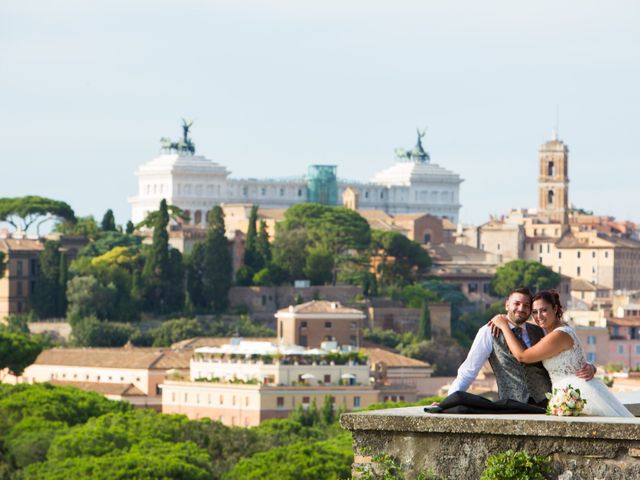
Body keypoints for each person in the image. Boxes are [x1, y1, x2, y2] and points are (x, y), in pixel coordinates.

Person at [491, 290, 633, 417]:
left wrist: (504, 326)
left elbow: (523, 356)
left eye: (544, 310)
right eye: (534, 312)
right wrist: (591, 367)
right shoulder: (559, 330)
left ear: (555, 308)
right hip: (574, 392)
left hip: (577, 395)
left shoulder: (559, 335)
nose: (538, 316)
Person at [448, 287, 594, 407]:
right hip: (513, 406)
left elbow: (566, 355)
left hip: (550, 404)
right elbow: (469, 370)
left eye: (526, 305)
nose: (521, 308)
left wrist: (591, 367)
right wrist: (449, 400)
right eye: (516, 303)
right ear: (507, 305)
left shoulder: (541, 329)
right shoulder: (488, 332)